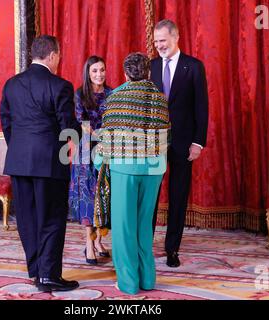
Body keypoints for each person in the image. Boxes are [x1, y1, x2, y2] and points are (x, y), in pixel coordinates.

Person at [0, 35, 81, 292]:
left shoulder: (11, 84)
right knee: (52, 219)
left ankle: (36, 270)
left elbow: (6, 123)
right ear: (53, 55)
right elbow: (68, 127)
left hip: (19, 162)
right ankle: (48, 276)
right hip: (49, 163)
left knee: (27, 219)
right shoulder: (60, 86)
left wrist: (20, 149)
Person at [95, 52, 170, 295]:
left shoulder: (115, 96)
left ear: (126, 73)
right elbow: (166, 136)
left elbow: (108, 138)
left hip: (124, 168)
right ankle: (148, 279)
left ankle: (128, 283)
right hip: (153, 169)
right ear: (148, 72)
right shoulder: (160, 97)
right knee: (144, 226)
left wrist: (99, 162)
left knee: (124, 226)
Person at [151, 19, 209, 268]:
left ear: (176, 38)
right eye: (155, 42)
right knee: (150, 196)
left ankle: (172, 248)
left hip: (183, 143)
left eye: (162, 40)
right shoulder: (150, 66)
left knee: (178, 196)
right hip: (153, 143)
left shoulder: (194, 67)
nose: (158, 46)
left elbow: (201, 107)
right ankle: (145, 244)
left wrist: (198, 142)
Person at [68, 56, 112, 265]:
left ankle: (99, 240)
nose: (99, 75)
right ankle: (88, 243)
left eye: (102, 70)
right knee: (88, 198)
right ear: (88, 72)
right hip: (86, 150)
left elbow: (114, 120)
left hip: (106, 149)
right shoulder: (80, 94)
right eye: (95, 71)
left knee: (104, 195)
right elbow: (81, 122)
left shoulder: (112, 94)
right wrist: (97, 136)